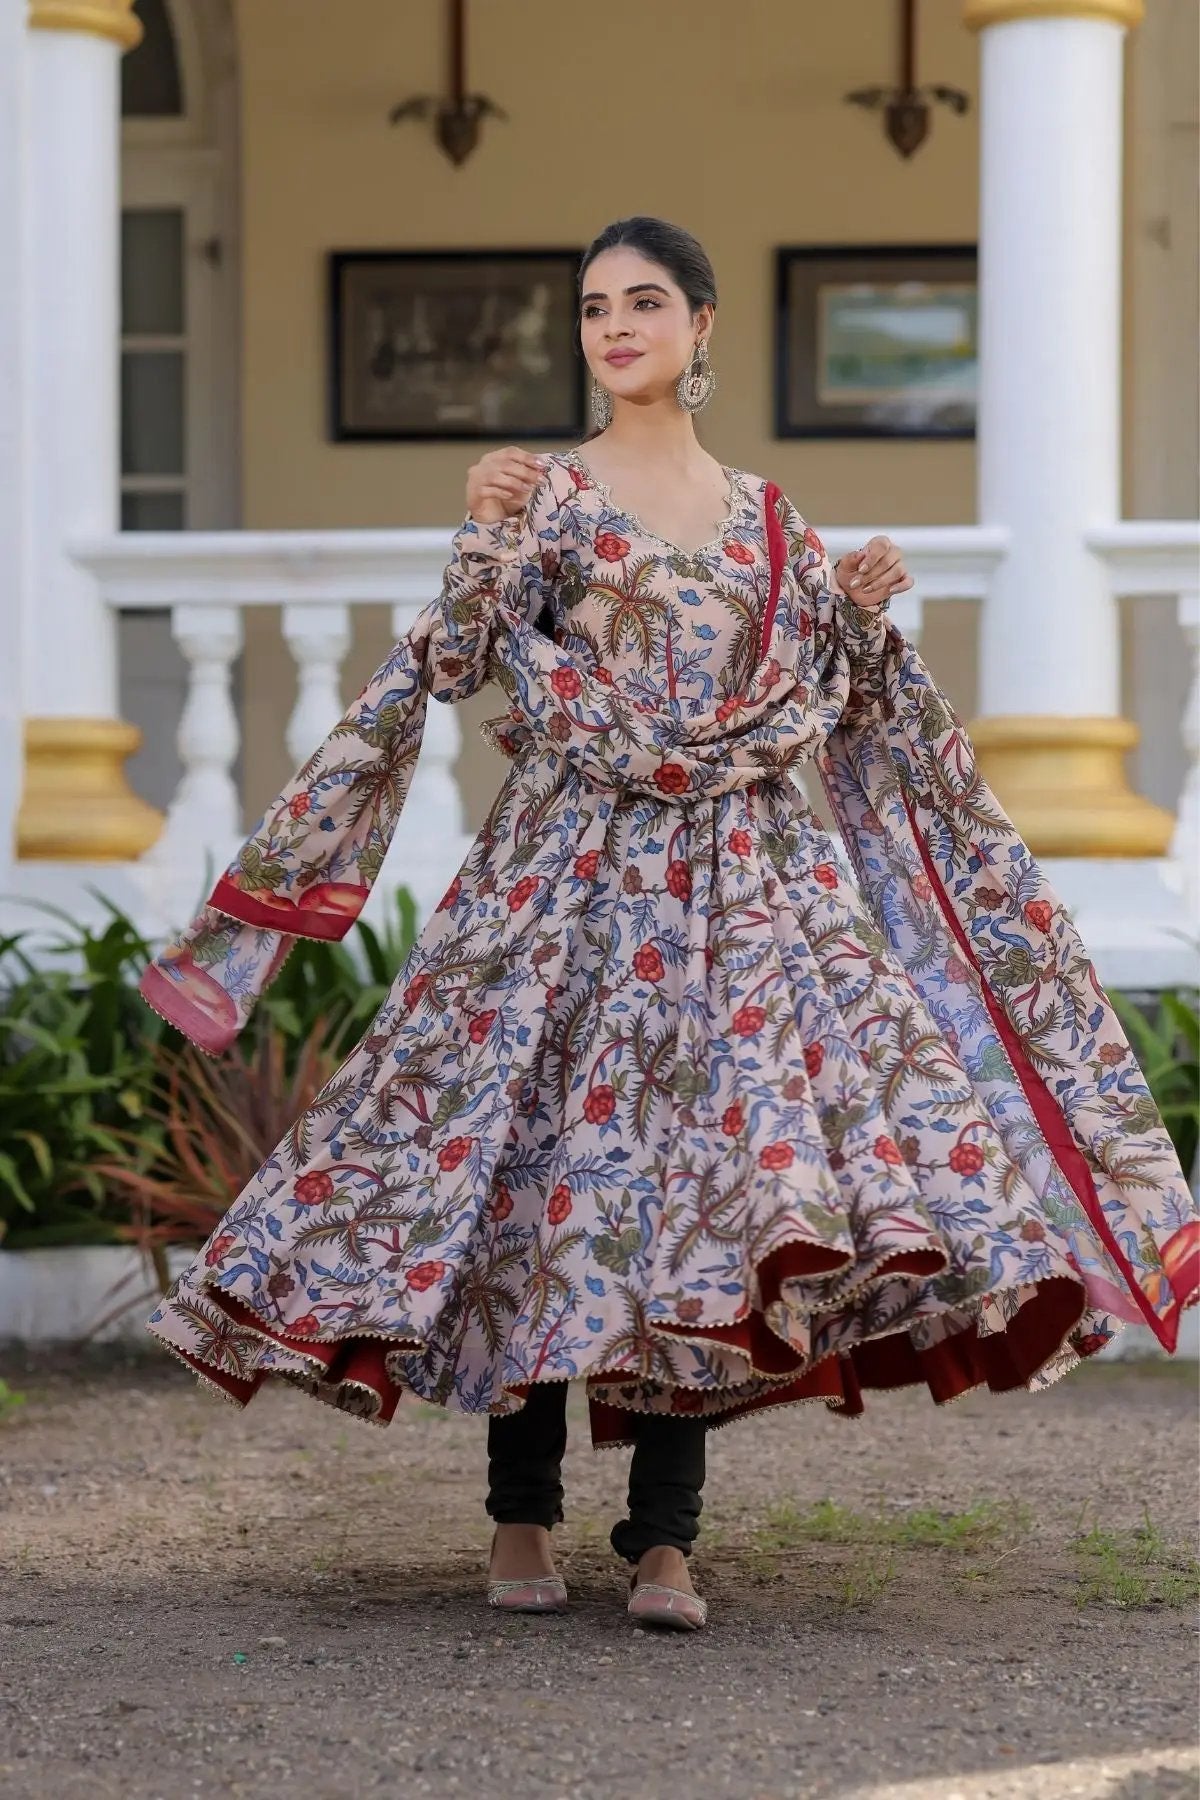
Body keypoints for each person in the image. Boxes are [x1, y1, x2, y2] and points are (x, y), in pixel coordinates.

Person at [138, 216, 1199, 1636]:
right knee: (537, 1173)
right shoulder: (549, 496)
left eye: (645, 303)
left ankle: (666, 1542)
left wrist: (856, 621)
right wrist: (480, 521)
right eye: (593, 308)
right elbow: (454, 657)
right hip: (563, 888)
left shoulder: (771, 520)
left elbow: (812, 693)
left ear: (704, 328)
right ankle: (521, 1518)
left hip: (743, 899)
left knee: (705, 1193)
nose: (616, 326)